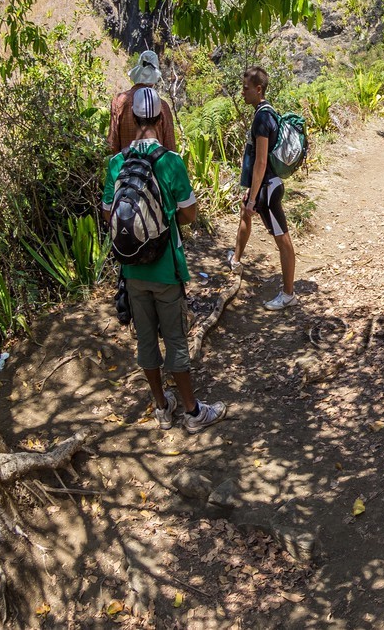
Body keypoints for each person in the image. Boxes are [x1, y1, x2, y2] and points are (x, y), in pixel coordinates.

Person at [103, 88, 226, 432]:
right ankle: (192, 412)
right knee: (175, 339)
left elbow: (107, 212)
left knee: (145, 340)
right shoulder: (170, 161)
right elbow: (190, 213)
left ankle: (161, 408)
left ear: (133, 119)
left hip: (131, 270)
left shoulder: (117, 163)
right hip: (166, 267)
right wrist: (165, 217)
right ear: (160, 119)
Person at [229, 66, 298, 310]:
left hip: (268, 189)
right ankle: (236, 259)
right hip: (265, 187)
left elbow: (260, 162)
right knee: (248, 218)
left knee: (282, 239)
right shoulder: (266, 113)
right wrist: (251, 194)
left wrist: (253, 196)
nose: (242, 93)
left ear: (259, 89)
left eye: (246, 89)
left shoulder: (262, 117)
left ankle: (288, 293)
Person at [108, 50, 176, 154]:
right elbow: (170, 147)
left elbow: (112, 144)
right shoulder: (162, 106)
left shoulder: (119, 101)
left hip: (126, 166)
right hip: (156, 167)